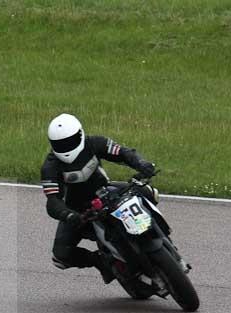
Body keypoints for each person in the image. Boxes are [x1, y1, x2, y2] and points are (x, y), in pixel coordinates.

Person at [41, 113, 158, 282]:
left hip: (108, 192)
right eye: (60, 144)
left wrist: (142, 164)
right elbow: (52, 202)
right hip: (79, 210)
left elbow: (123, 153)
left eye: (70, 141)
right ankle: (101, 261)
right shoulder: (50, 167)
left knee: (149, 192)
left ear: (80, 134)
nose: (66, 147)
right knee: (60, 256)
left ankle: (157, 232)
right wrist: (69, 215)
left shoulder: (94, 143)